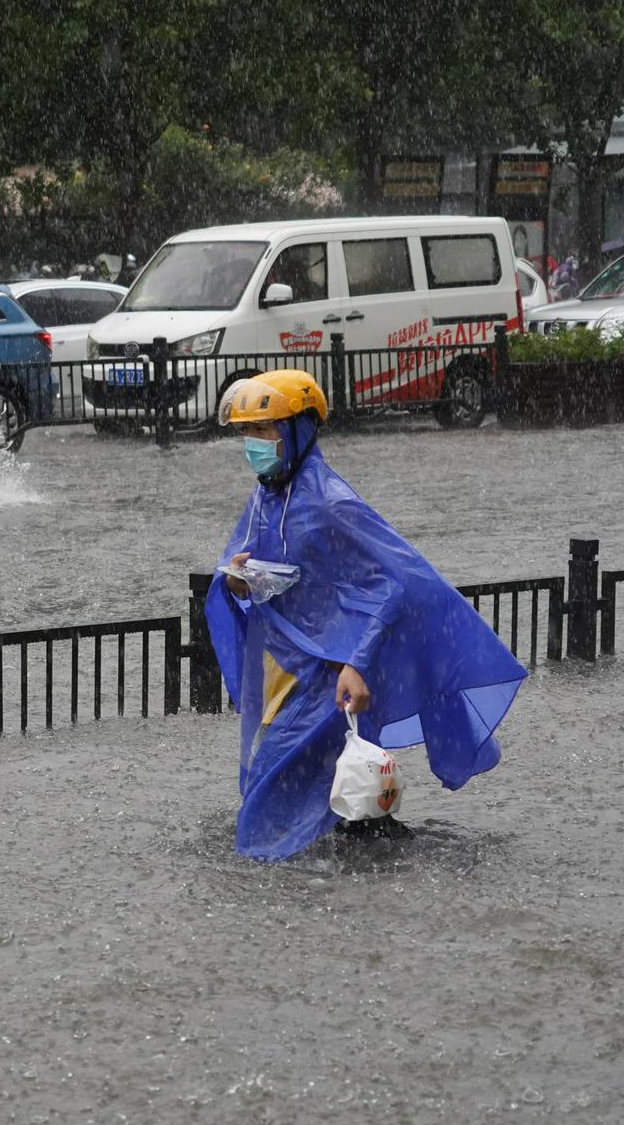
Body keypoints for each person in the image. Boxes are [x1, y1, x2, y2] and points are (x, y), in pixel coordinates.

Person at [206, 369, 528, 861]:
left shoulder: (330, 502)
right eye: (245, 432)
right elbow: (243, 566)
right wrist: (235, 579)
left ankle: (288, 883)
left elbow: (394, 581)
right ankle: (368, 852)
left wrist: (356, 662)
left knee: (270, 797)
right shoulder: (265, 498)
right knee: (313, 785)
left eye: (264, 430)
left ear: (298, 429)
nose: (252, 442)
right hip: (292, 667)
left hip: (333, 671)